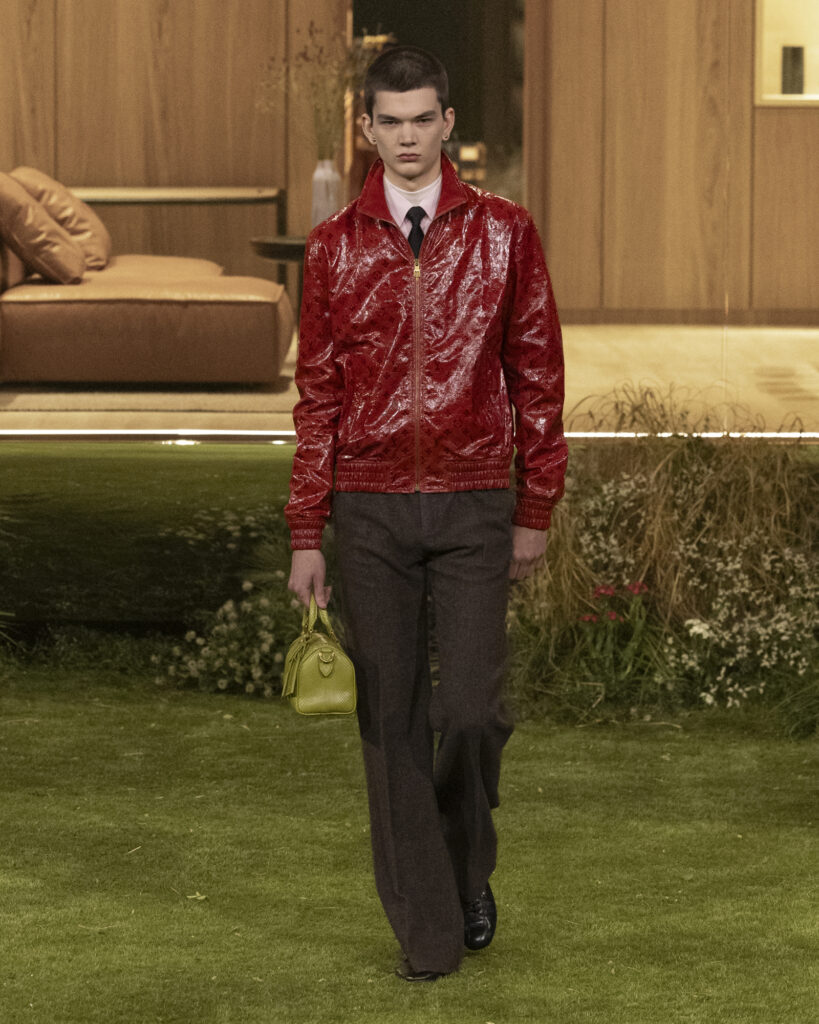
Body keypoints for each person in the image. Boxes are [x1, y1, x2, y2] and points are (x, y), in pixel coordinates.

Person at [285, 45, 567, 982]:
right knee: (391, 723)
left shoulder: (506, 232)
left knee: (473, 709)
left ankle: (462, 867)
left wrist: (535, 504)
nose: (407, 138)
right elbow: (317, 398)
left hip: (475, 499)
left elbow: (537, 374)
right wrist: (305, 529)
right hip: (368, 510)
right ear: (367, 130)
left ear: (447, 123)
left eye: (422, 120)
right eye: (390, 122)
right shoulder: (333, 247)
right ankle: (429, 934)